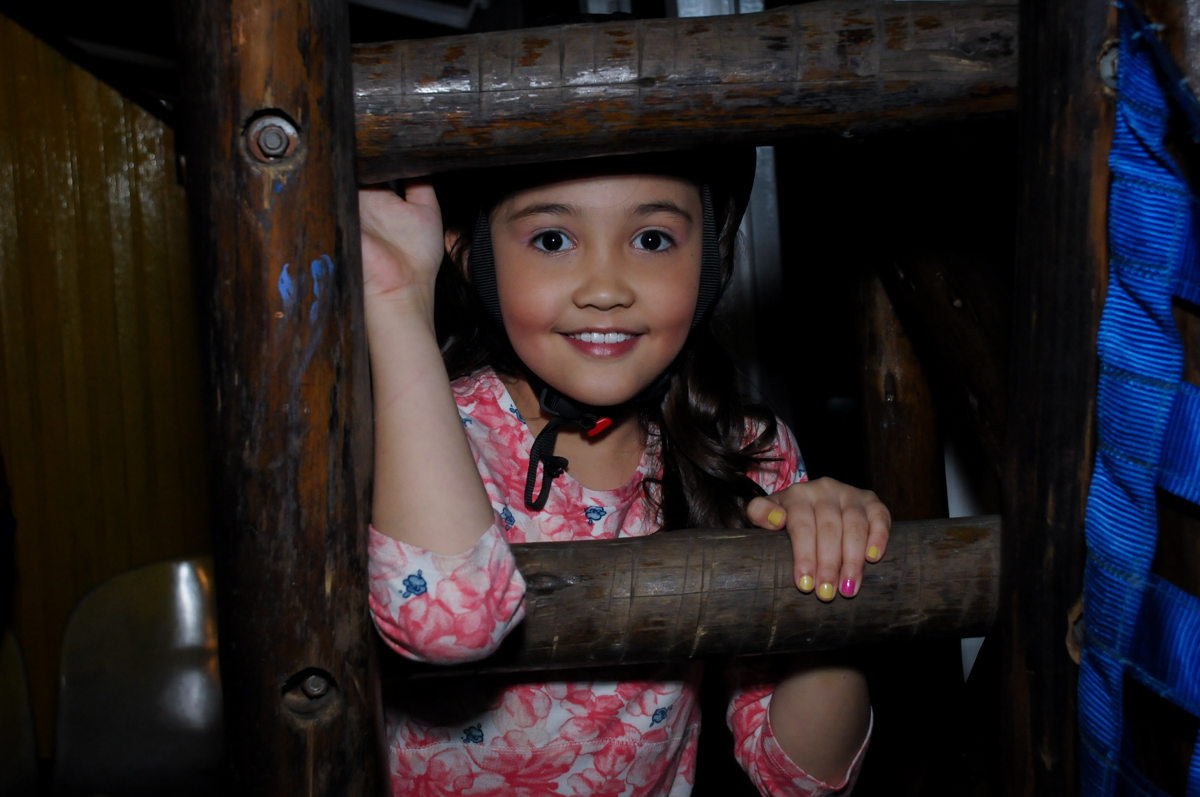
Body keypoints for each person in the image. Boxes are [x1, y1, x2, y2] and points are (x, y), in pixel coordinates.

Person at [360, 149, 891, 796]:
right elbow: (447, 625)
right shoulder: (420, 436)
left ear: (710, 258)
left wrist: (828, 577)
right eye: (552, 240)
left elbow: (804, 777)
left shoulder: (745, 453)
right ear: (471, 255)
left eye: (652, 239)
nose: (606, 288)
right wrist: (397, 301)